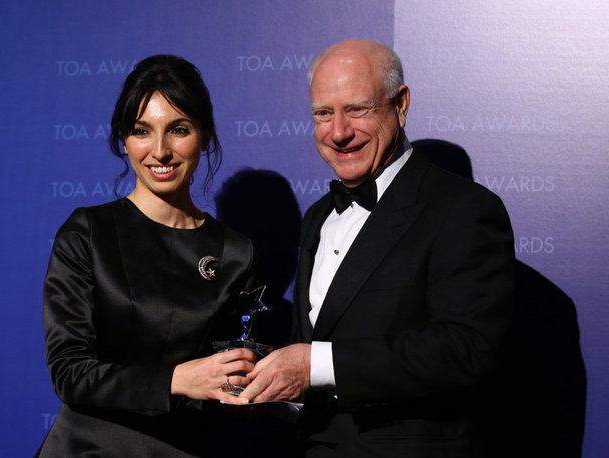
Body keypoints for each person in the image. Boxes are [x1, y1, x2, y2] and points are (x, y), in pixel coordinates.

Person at [238, 39, 516, 457]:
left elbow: (467, 349)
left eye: (357, 109)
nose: (338, 132)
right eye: (323, 113)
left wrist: (315, 365)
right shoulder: (317, 216)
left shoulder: (464, 210)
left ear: (400, 105)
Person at [37, 55, 254, 457]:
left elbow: (233, 378)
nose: (160, 151)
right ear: (124, 140)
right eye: (142, 131)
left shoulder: (236, 253)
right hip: (88, 449)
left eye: (179, 130)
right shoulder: (87, 233)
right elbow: (69, 373)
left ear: (205, 137)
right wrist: (174, 380)